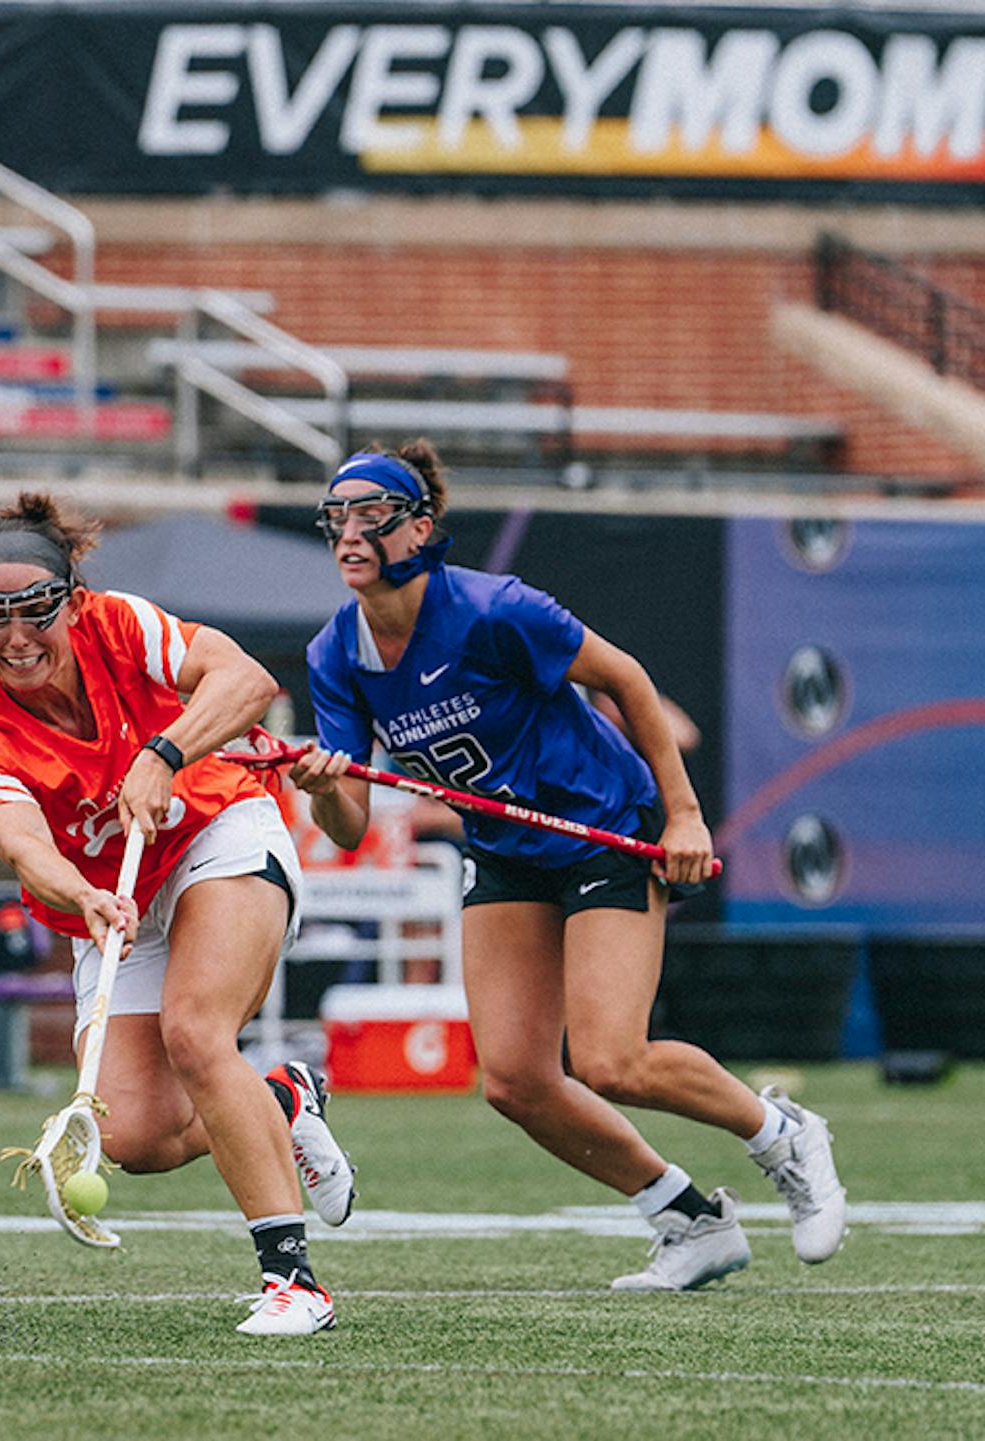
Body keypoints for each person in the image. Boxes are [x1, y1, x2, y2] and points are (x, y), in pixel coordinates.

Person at [289, 441, 846, 1291]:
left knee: (612, 1059)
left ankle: (783, 1134)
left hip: (602, 826)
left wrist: (685, 812)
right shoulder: (335, 654)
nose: (351, 535)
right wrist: (325, 788)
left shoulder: (494, 609)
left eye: (373, 517)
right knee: (514, 1079)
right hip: (505, 849)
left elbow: (626, 677)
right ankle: (688, 1218)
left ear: (421, 528)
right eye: (338, 519)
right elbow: (351, 820)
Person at [0, 493, 355, 1337]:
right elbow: (22, 843)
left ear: (71, 601)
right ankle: (281, 1098)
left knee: (195, 1031)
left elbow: (246, 680)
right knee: (135, 1135)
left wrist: (164, 754)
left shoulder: (122, 625)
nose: (15, 637)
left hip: (218, 832)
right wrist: (82, 894)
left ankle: (293, 1280)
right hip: (113, 900)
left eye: (34, 611)